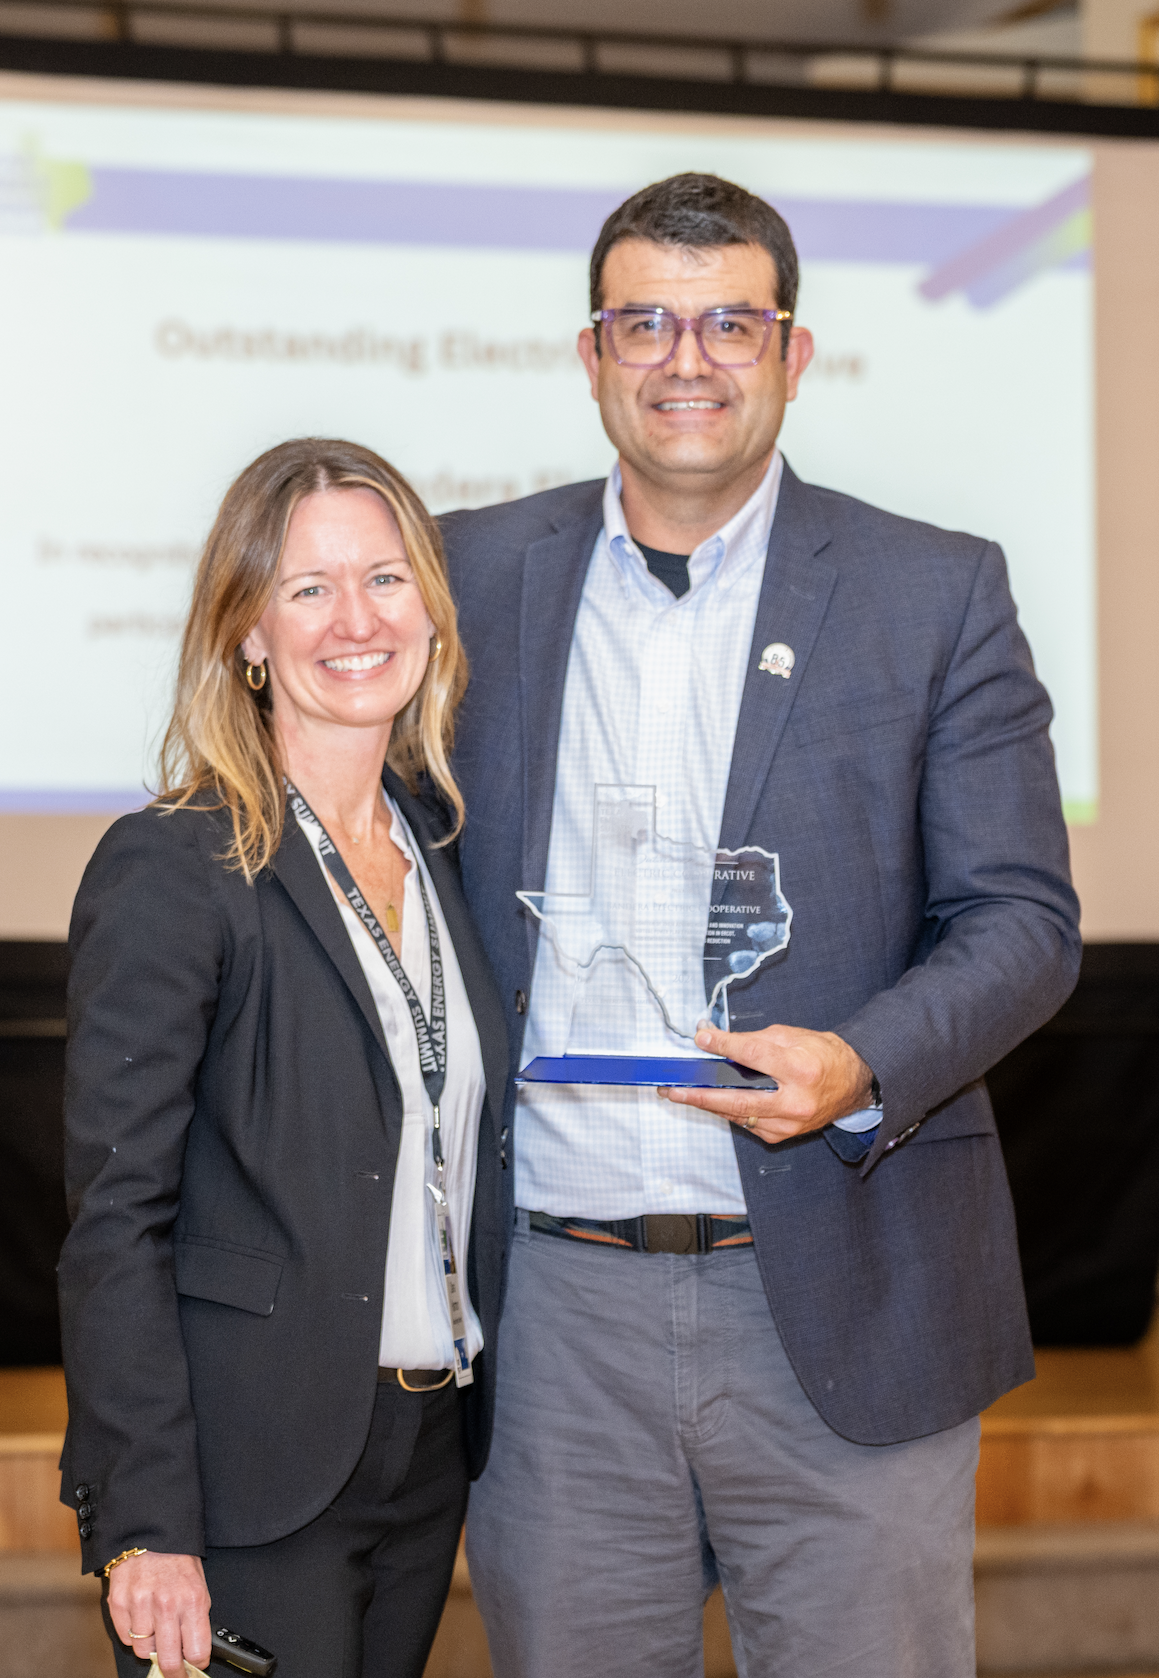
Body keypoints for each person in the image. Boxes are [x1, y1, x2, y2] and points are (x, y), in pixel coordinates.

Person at [444, 172, 1081, 1676]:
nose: (688, 358)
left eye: (732, 321)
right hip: (553, 1315)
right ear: (591, 353)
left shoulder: (936, 592)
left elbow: (1024, 922)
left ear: (794, 355)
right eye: (646, 322)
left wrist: (860, 1062)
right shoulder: (466, 579)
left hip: (848, 1288)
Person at [58, 437, 509, 1678]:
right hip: (249, 1473)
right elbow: (116, 1215)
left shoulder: (445, 852)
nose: (353, 620)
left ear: (430, 607)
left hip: (425, 1453)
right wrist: (145, 1518)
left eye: (386, 578)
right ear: (248, 630)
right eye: (307, 588)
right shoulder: (174, 865)